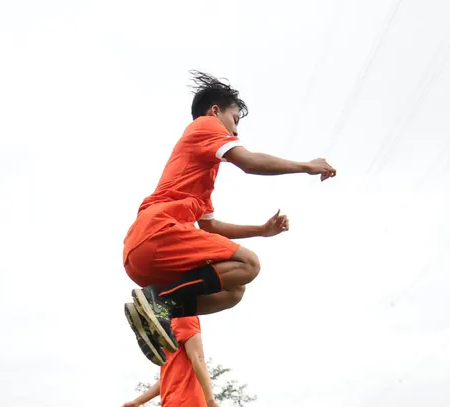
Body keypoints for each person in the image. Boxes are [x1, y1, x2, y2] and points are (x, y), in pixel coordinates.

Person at [121, 72, 336, 364]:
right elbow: (249, 162)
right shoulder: (204, 126)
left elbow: (210, 226)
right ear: (215, 111)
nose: (236, 134)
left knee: (234, 290)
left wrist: (261, 230)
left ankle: (159, 309)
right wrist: (306, 166)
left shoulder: (200, 174)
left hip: (143, 256)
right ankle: (161, 301)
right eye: (235, 121)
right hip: (156, 234)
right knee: (249, 264)